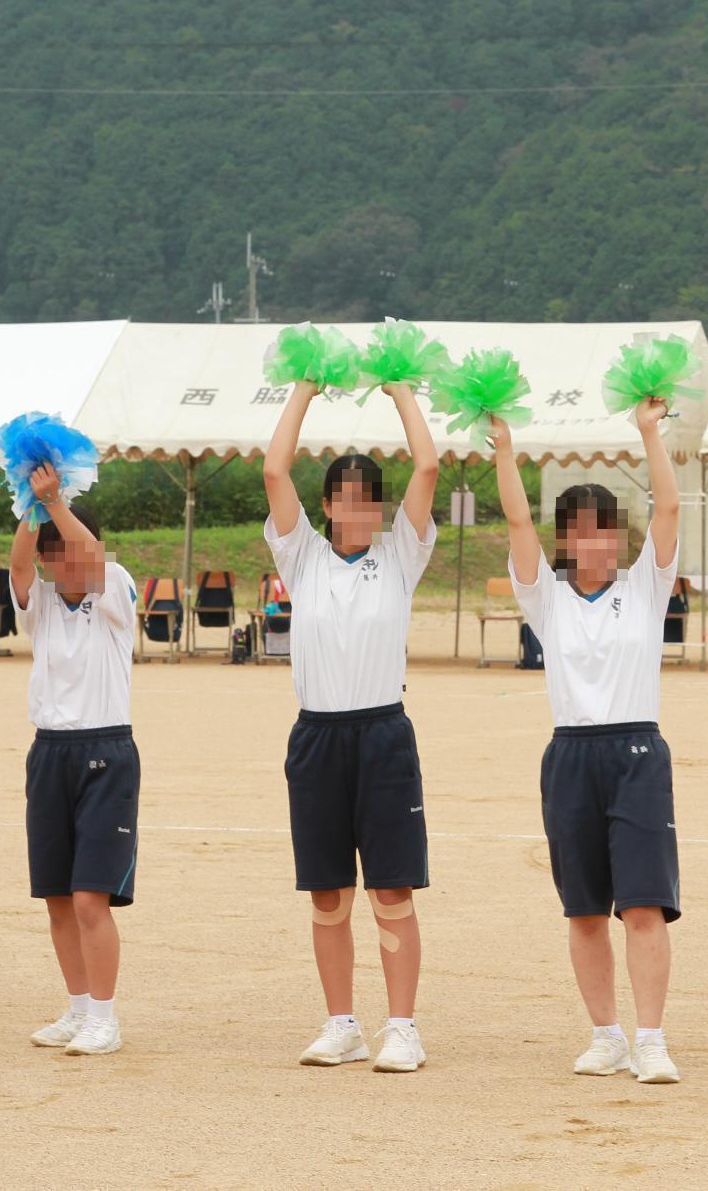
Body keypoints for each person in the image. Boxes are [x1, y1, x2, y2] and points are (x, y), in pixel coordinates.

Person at [493, 396, 683, 1084]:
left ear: (620, 538)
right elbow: (518, 520)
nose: (595, 544)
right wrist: (504, 449)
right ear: (566, 543)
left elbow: (669, 508)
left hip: (637, 755)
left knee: (643, 904)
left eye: (606, 531)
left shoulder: (647, 587)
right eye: (579, 533)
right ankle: (607, 1036)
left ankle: (651, 1038)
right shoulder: (546, 597)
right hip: (571, 756)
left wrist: (649, 433)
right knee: (583, 910)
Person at [261, 378, 439, 1073]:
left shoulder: (400, 555)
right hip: (316, 738)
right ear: (329, 505)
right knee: (328, 891)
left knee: (391, 890)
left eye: (371, 500)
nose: (358, 510)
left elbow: (428, 465)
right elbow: (274, 469)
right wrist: (305, 389)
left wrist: (401, 392)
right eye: (346, 498)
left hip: (383, 736)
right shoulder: (301, 554)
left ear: (381, 509)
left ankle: (402, 1026)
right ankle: (342, 1023)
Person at [12, 465, 137, 1057]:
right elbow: (18, 567)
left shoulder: (113, 588)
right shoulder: (39, 601)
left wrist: (56, 502)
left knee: (91, 898)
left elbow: (89, 555)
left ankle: (105, 1018)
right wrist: (29, 504)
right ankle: (80, 1008)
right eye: (52, 553)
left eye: (72, 549)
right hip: (49, 754)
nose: (64, 562)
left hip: (105, 752)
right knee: (59, 898)